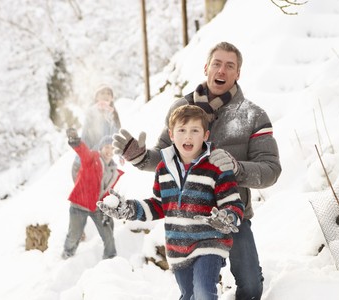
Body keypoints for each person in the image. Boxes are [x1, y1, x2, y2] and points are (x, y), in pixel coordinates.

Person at [111, 42, 282, 299]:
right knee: (195, 292)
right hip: (189, 219)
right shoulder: (182, 109)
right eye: (217, 63)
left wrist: (237, 168)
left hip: (231, 216)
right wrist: (141, 157)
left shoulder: (252, 116)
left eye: (230, 65)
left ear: (238, 73)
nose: (222, 70)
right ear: (206, 67)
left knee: (251, 287)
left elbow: (271, 170)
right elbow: (164, 157)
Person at [97, 105, 245, 299]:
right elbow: (159, 205)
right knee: (188, 294)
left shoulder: (217, 165)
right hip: (178, 247)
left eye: (195, 131)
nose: (188, 136)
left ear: (206, 135)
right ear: (171, 135)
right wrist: (130, 209)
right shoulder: (163, 168)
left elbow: (233, 203)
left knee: (204, 292)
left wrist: (228, 217)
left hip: (209, 243)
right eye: (182, 130)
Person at [62, 128, 124, 260]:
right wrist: (75, 140)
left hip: (97, 207)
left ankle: (110, 259)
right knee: (74, 235)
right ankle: (67, 255)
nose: (109, 151)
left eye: (112, 148)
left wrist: (108, 211)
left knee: (108, 235)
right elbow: (83, 151)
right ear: (101, 148)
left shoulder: (114, 171)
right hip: (80, 204)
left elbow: (107, 192)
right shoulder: (92, 158)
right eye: (107, 147)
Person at [71, 84, 121, 181]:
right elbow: (84, 138)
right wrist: (81, 159)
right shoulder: (91, 113)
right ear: (97, 97)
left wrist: (120, 154)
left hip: (104, 164)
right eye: (102, 93)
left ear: (112, 98)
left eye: (108, 93)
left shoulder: (113, 114)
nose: (106, 95)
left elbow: (116, 138)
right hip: (87, 162)